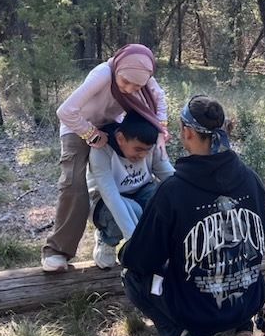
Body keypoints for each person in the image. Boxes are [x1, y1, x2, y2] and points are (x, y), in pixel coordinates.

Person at [120, 95, 265, 336]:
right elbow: (263, 236)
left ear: (186, 132)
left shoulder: (172, 191)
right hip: (248, 297)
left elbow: (141, 258)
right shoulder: (251, 179)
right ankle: (239, 325)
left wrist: (124, 250)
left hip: (194, 310)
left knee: (133, 277)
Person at [41, 44, 174, 272]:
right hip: (77, 124)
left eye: (137, 86)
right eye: (125, 83)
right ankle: (57, 250)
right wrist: (91, 135)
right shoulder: (103, 73)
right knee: (73, 183)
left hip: (110, 123)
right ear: (118, 69)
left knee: (123, 164)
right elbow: (65, 111)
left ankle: (111, 233)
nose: (130, 89)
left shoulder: (143, 76)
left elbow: (159, 100)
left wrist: (161, 132)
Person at [87, 111, 161, 269]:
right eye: (138, 149)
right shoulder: (102, 150)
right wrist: (134, 242)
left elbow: (169, 176)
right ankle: (107, 239)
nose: (143, 155)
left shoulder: (150, 145)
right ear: (120, 138)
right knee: (133, 211)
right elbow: (111, 196)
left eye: (147, 150)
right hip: (103, 201)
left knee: (161, 200)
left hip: (140, 192)